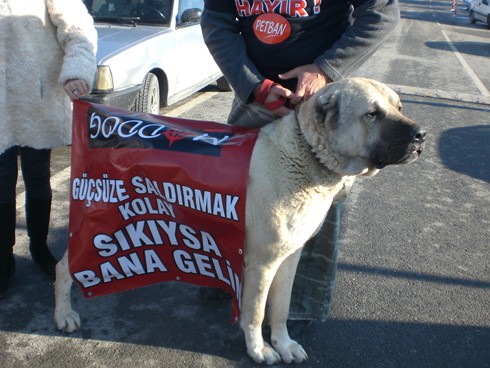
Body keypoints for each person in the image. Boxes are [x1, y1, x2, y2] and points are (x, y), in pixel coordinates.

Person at [201, 0, 400, 333]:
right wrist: (252, 85)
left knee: (309, 210)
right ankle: (227, 282)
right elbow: (217, 20)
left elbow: (381, 14)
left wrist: (326, 69)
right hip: (255, 99)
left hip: (326, 106)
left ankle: (295, 307)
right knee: (230, 198)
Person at [0, 0, 97, 297]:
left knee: (38, 176)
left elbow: (78, 28)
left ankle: (40, 247)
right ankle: (4, 258)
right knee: (1, 184)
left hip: (36, 99)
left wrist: (77, 71)